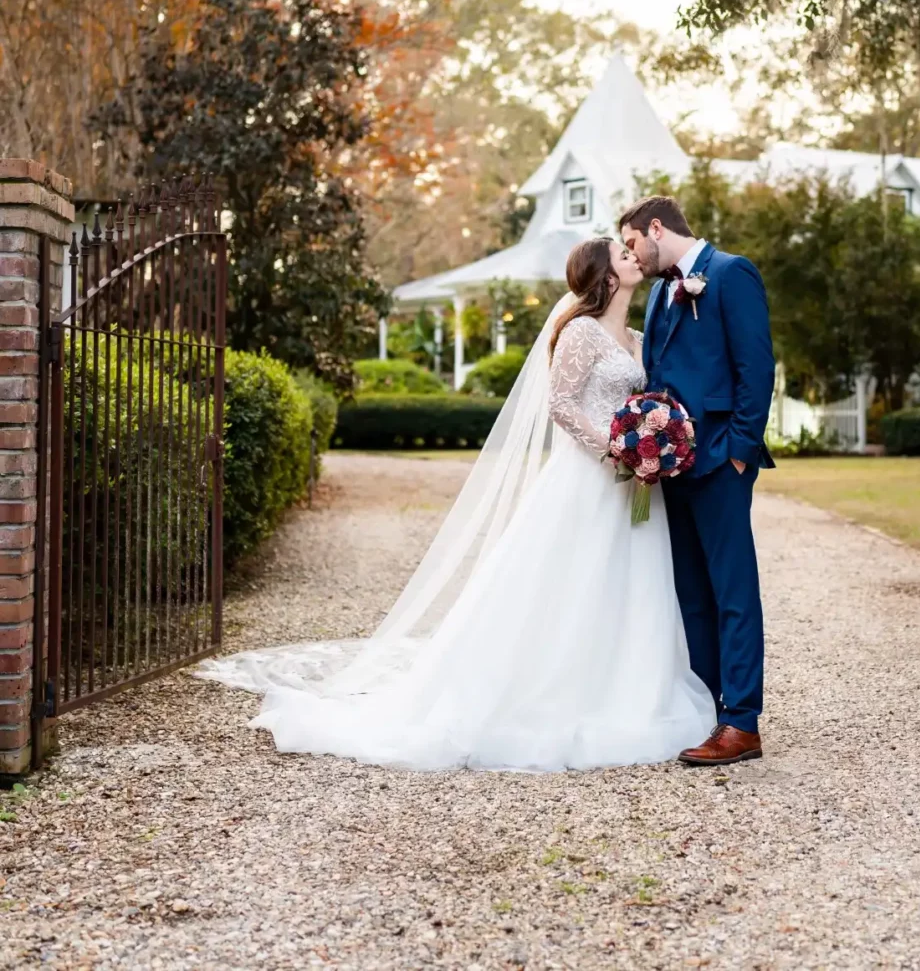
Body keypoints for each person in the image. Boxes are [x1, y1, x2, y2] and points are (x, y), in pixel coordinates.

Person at [197, 237, 715, 772]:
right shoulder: (580, 332)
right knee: (571, 582)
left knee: (630, 585)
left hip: (635, 485)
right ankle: (555, 692)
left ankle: (629, 692)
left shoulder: (635, 336)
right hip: (588, 479)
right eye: (620, 252)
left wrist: (656, 441)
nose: (632, 254)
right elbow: (561, 404)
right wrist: (611, 448)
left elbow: (645, 403)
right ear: (603, 274)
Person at [619, 195, 776, 767]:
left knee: (733, 591)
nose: (633, 256)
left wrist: (738, 452)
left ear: (656, 228)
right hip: (671, 467)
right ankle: (708, 709)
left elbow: (756, 370)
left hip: (720, 462)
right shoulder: (662, 290)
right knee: (691, 594)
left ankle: (742, 722)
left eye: (633, 243)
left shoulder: (732, 273)